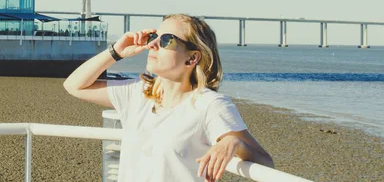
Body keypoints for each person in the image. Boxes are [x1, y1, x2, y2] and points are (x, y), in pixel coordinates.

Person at [63, 14, 273, 182]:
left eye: (166, 40)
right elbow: (74, 86)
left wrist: (233, 142)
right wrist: (116, 51)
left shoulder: (209, 105)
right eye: (153, 36)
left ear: (192, 57)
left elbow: (265, 164)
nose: (152, 45)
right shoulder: (138, 94)